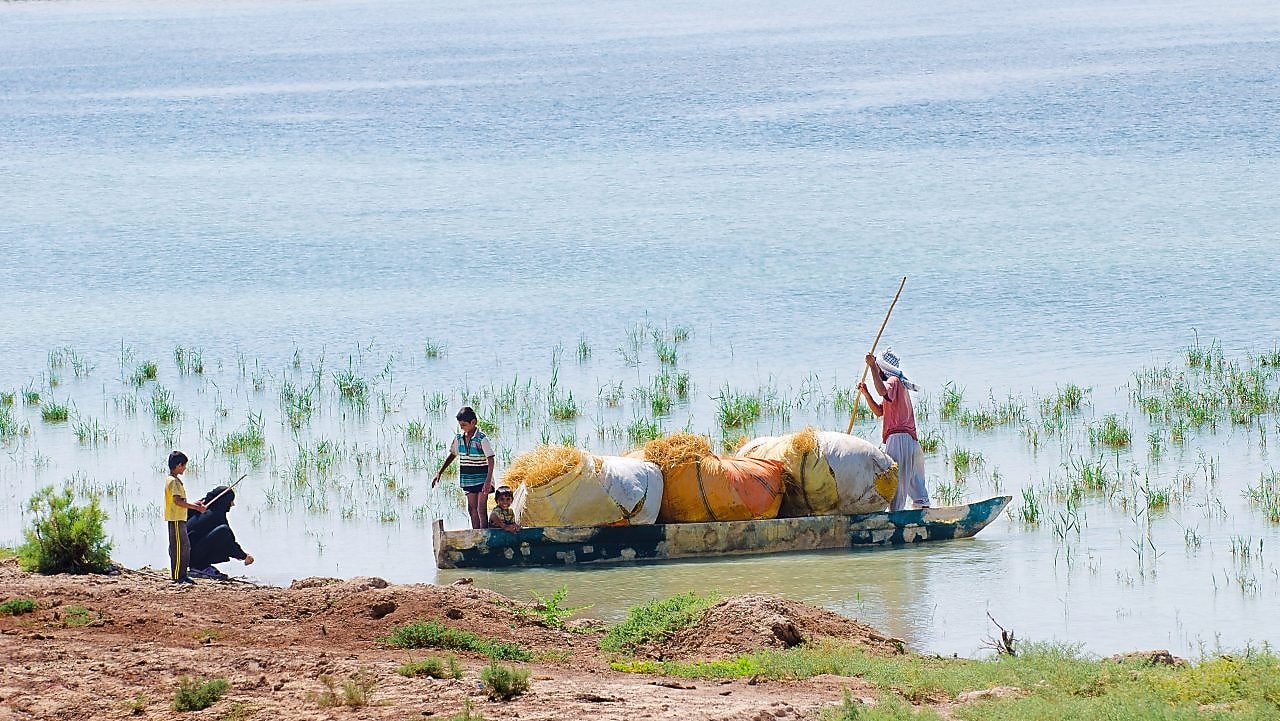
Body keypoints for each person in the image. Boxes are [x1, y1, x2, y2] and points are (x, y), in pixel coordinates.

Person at [858, 349, 931, 511]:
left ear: (883, 369)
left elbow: (882, 391)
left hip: (899, 438)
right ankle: (922, 509)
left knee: (895, 479)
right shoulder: (897, 386)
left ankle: (896, 515)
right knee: (913, 479)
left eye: (878, 368)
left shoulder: (893, 381)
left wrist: (871, 367)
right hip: (910, 440)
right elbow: (879, 411)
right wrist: (866, 394)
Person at [432, 406, 496, 528]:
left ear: (473, 422)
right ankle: (476, 534)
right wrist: (439, 472)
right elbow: (452, 454)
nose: (462, 427)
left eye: (464, 425)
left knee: (481, 509)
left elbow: (491, 459)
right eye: (460, 425)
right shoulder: (459, 439)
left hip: (482, 478)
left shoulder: (481, 439)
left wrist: (488, 481)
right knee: (472, 509)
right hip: (468, 478)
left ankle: (484, 535)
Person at [187, 486, 255, 581]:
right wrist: (244, 556)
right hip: (191, 556)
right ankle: (199, 566)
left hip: (184, 555)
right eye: (231, 501)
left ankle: (199, 565)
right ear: (224, 501)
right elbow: (229, 542)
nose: (232, 504)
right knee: (224, 531)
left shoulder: (198, 508)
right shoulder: (216, 516)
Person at [163, 451, 206, 585]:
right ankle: (178, 576)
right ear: (178, 465)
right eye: (184, 465)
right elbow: (177, 501)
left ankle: (182, 574)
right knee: (178, 548)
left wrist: (194, 504)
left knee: (185, 547)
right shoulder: (173, 481)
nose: (185, 468)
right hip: (175, 519)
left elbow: (180, 500)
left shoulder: (175, 480)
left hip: (180, 518)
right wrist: (195, 508)